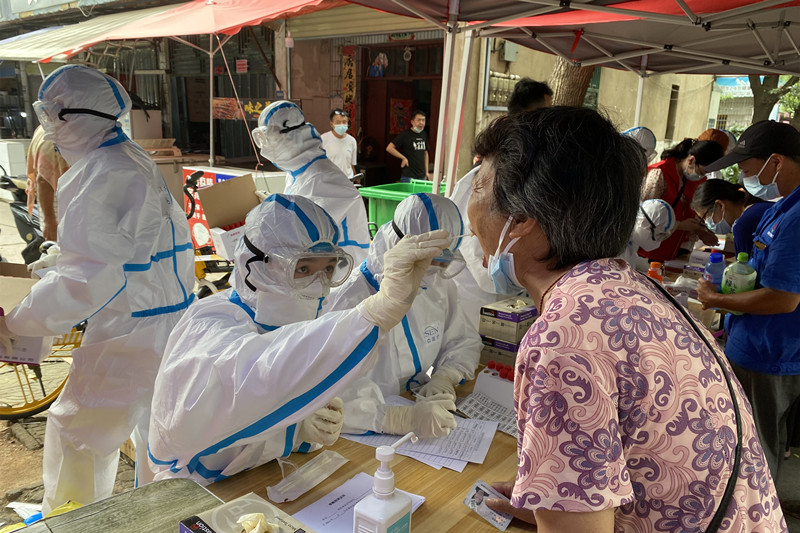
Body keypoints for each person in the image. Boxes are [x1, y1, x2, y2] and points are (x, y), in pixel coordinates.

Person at [466, 107, 783, 530]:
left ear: (522, 219)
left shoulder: (563, 339)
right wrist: (558, 507)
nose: (469, 207)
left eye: (479, 186)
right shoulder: (632, 289)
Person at [147, 193, 451, 484]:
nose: (319, 286)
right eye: (303, 268)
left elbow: (314, 377)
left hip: (256, 482)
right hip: (195, 489)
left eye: (328, 269)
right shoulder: (209, 322)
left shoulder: (292, 320)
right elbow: (249, 378)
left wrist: (298, 432)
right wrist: (374, 315)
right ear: (254, 266)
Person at [0, 65, 196, 514]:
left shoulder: (101, 172)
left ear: (73, 115)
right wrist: (56, 262)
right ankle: (160, 515)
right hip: (164, 318)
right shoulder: (126, 156)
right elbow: (121, 250)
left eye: (50, 114)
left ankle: (72, 520)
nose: (47, 125)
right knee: (159, 434)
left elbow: (87, 280)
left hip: (131, 330)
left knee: (79, 432)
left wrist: (17, 319)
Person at [326, 193, 481, 438]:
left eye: (445, 261)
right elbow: (325, 394)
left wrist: (445, 376)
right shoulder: (348, 300)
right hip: (364, 431)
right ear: (399, 245)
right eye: (430, 260)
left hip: (420, 411)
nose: (437, 270)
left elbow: (463, 341)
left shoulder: (439, 285)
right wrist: (396, 418)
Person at [696, 120, 800, 483]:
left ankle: (755, 510)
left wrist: (715, 299)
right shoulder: (781, 208)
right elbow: (761, 271)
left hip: (770, 352)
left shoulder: (796, 218)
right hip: (756, 345)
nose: (745, 177)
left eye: (746, 168)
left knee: (756, 450)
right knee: (757, 439)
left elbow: (783, 298)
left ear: (776, 162)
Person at [450, 79, 553, 328]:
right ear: (528, 115)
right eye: (545, 112)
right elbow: (482, 265)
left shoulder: (530, 177)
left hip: (509, 304)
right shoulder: (481, 181)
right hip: (475, 303)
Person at [252, 101, 370, 265]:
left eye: (269, 139)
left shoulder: (320, 177)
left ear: (288, 138)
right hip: (316, 264)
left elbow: (303, 230)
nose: (265, 147)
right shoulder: (298, 172)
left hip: (340, 268)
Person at [640, 137, 724, 262]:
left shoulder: (693, 180)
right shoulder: (659, 174)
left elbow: (693, 212)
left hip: (674, 251)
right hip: (648, 251)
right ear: (691, 160)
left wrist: (701, 231)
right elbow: (643, 217)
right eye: (701, 172)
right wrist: (679, 225)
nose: (702, 176)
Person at [690, 178, 770, 254]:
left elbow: (745, 264)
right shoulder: (761, 207)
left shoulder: (743, 225)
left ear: (720, 205)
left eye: (704, 217)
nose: (706, 223)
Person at [25, 124, 69, 242]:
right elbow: (43, 180)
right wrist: (50, 222)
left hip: (69, 197)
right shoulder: (55, 139)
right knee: (57, 244)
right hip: (53, 199)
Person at [620, 198, 676, 271]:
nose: (658, 242)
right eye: (658, 234)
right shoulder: (617, 243)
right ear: (643, 221)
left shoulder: (632, 239)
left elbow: (631, 259)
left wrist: (648, 268)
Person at [386, 109, 430, 183]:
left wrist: (427, 172)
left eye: (423, 120)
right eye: (418, 120)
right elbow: (389, 148)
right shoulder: (405, 135)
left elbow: (425, 153)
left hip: (422, 177)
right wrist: (403, 158)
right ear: (412, 122)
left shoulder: (424, 134)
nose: (421, 123)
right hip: (408, 177)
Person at [321, 108, 358, 179]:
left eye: (344, 122)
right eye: (338, 122)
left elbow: (351, 164)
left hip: (347, 180)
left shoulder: (352, 141)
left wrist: (355, 178)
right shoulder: (323, 139)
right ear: (331, 124)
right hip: (329, 180)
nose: (341, 125)